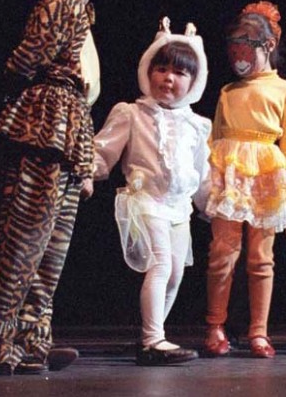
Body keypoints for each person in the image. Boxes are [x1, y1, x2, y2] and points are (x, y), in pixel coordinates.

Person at [0, 0, 100, 376]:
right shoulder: (63, 1)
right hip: (45, 121)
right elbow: (23, 60)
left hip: (66, 121)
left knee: (49, 245)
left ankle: (29, 339)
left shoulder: (74, 6)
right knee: (25, 239)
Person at [92, 18, 210, 365]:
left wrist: (212, 206)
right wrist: (87, 171)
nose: (168, 78)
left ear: (193, 81)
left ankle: (154, 333)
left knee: (176, 271)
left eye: (179, 73)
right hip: (144, 199)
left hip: (179, 206)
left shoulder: (197, 125)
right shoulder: (132, 113)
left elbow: (202, 172)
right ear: (148, 71)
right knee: (160, 265)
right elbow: (104, 151)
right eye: (160, 69)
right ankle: (152, 340)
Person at [198, 1, 286, 359]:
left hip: (267, 174)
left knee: (261, 257)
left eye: (246, 47)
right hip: (229, 174)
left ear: (268, 47)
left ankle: (259, 331)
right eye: (233, 48)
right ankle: (215, 325)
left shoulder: (285, 90)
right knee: (222, 253)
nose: (238, 57)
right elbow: (215, 137)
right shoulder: (227, 92)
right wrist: (208, 181)